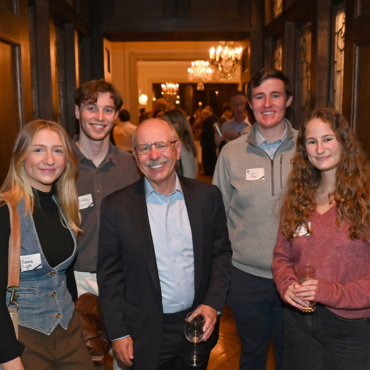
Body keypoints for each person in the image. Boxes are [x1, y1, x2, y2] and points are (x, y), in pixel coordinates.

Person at [97, 118, 232, 369]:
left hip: (197, 327)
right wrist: (118, 332)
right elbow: (109, 277)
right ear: (136, 157)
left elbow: (221, 254)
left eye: (161, 145)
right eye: (144, 148)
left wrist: (213, 303)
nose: (154, 155)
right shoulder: (116, 207)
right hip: (144, 333)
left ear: (177, 149)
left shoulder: (207, 197)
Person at [272, 108, 370, 369]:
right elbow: (282, 257)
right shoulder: (298, 198)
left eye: (327, 139)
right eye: (311, 141)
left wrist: (330, 292)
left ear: (343, 141)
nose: (319, 148)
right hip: (298, 323)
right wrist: (288, 286)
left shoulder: (365, 199)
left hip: (351, 327)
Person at [213, 68, 295, 370]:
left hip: (297, 276)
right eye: (259, 97)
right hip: (245, 277)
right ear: (250, 103)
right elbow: (217, 216)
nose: (267, 103)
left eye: (275, 95)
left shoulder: (310, 148)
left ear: (288, 100)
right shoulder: (231, 153)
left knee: (293, 356)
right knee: (251, 355)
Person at [0, 120, 94, 370]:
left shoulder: (64, 205)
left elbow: (65, 274)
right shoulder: (4, 211)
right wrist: (9, 359)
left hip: (69, 334)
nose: (50, 159)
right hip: (23, 339)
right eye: (38, 149)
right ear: (21, 155)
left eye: (58, 150)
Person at [72, 79, 140, 369]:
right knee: (87, 361)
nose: (100, 117)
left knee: (127, 359)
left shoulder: (132, 166)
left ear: (116, 115)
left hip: (125, 279)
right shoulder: (58, 164)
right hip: (75, 281)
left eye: (108, 109)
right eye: (92, 108)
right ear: (77, 112)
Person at [163, 109, 197, 178]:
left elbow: (188, 172)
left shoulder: (178, 144)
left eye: (165, 123)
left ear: (175, 125)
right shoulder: (186, 141)